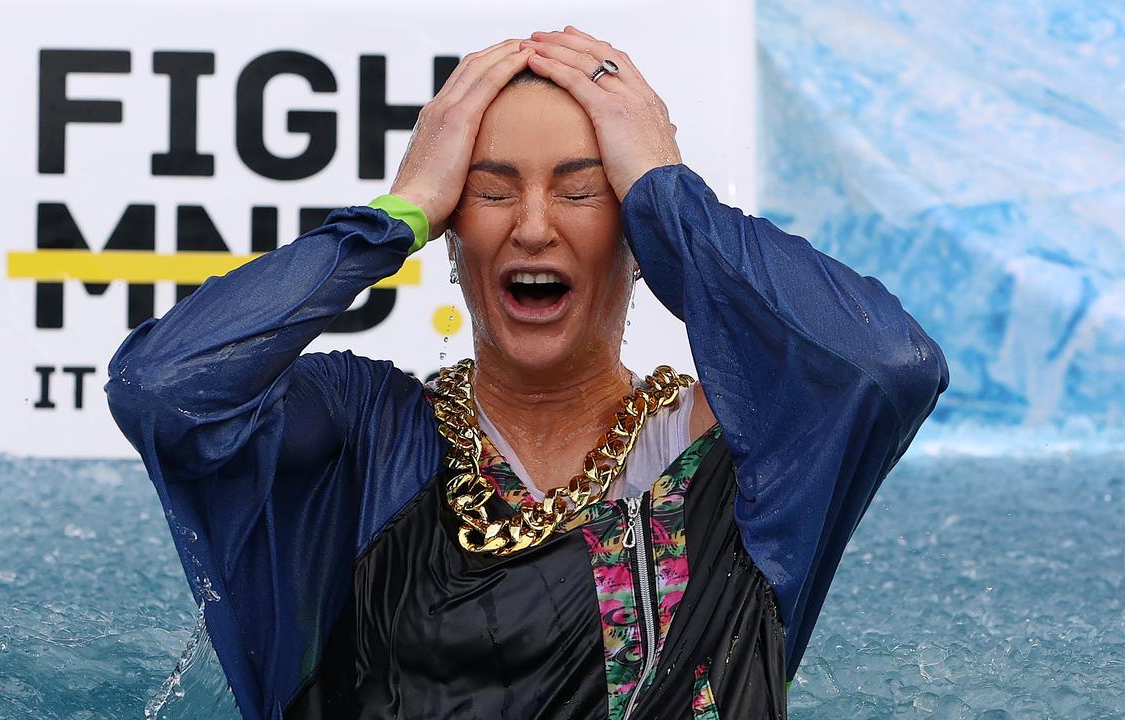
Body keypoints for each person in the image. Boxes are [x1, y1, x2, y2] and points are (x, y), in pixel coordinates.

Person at [106, 27, 949, 720]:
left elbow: (890, 366)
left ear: (636, 237)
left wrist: (667, 195)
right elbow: (165, 389)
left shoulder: (751, 467)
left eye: (583, 193)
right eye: (489, 191)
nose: (535, 227)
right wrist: (392, 217)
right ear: (450, 227)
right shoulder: (367, 438)